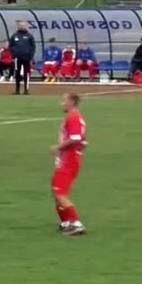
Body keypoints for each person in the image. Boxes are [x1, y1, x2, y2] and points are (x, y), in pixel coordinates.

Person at [51, 92, 88, 235]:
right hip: (70, 158)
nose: (62, 103)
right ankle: (66, 223)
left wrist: (58, 148)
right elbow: (82, 141)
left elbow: (75, 139)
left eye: (64, 100)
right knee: (57, 192)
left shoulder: (73, 117)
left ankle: (76, 223)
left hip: (69, 160)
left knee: (60, 193)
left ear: (72, 102)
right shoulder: (76, 117)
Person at [7, 20, 36, 95]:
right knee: (17, 74)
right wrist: (14, 55)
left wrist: (30, 56)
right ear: (18, 26)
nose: (21, 27)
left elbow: (33, 47)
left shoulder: (29, 36)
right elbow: (10, 46)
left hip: (27, 58)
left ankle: (26, 90)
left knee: (26, 74)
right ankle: (17, 90)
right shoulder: (15, 36)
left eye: (23, 25)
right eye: (20, 25)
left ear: (26, 26)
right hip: (17, 58)